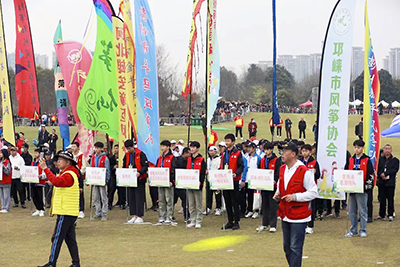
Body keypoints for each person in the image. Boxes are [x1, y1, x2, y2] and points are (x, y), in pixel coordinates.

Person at [273, 142, 318, 267]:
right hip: (285, 213)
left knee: (295, 247)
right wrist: (278, 193)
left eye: (285, 151)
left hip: (299, 215)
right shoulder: (282, 168)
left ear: (293, 154)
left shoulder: (304, 171)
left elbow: (313, 192)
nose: (282, 154)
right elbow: (281, 184)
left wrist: (295, 197)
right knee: (287, 247)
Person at [38, 151, 80, 267]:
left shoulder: (68, 174)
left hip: (65, 211)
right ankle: (75, 263)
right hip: (68, 210)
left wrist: (46, 169)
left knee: (57, 238)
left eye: (60, 159)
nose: (57, 162)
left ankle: (52, 263)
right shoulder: (68, 173)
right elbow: (58, 182)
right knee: (70, 239)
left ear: (68, 162)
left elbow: (57, 182)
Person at [344, 139, 374, 237]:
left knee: (362, 210)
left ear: (362, 148)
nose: (357, 150)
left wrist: (368, 186)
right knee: (352, 211)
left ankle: (363, 229)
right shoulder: (351, 160)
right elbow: (345, 172)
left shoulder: (367, 160)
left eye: (359, 147)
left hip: (362, 188)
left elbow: (371, 174)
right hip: (352, 189)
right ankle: (353, 230)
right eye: (355, 147)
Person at [220, 133, 244, 230]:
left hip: (234, 180)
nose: (226, 142)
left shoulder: (237, 153)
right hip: (225, 180)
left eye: (228, 141)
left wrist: (236, 173)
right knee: (227, 201)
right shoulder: (224, 153)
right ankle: (230, 221)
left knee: (235, 201)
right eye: (225, 140)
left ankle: (236, 222)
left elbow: (241, 166)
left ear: (233, 142)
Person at [257, 142, 279, 232]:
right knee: (264, 205)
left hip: (272, 186)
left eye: (268, 150)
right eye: (265, 150)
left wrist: (275, 180)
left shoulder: (276, 160)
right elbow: (259, 171)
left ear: (272, 150)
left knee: (272, 205)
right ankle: (264, 223)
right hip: (264, 185)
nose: (266, 152)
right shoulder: (262, 160)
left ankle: (273, 224)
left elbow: (278, 172)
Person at [125, 140, 149, 224]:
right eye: (127, 149)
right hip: (130, 179)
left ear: (133, 146)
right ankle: (134, 214)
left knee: (139, 197)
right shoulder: (127, 155)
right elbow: (125, 165)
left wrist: (140, 172)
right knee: (131, 197)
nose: (128, 150)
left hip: (140, 179)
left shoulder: (141, 154)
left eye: (129, 148)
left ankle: (139, 215)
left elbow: (145, 165)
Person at [301, 144, 321, 234]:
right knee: (303, 206)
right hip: (301, 187)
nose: (304, 153)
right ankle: (303, 224)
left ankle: (310, 226)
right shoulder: (299, 162)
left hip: (311, 188)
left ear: (310, 152)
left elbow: (318, 175)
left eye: (306, 151)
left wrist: (314, 173)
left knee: (311, 207)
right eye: (303, 151)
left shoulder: (314, 162)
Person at [186, 141, 206, 229]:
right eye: (191, 147)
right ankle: (192, 220)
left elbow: (202, 172)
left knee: (198, 204)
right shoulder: (189, 159)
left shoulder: (201, 159)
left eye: (194, 147)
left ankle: (198, 220)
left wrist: (200, 182)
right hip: (189, 183)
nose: (192, 149)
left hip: (197, 184)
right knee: (191, 204)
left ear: (197, 148)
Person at [376, 144, 399, 221]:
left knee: (390, 198)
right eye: (386, 149)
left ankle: (390, 214)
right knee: (382, 198)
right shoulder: (380, 160)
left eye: (389, 149)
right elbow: (378, 169)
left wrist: (386, 174)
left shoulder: (395, 160)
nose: (387, 150)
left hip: (390, 182)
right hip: (381, 182)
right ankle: (381, 214)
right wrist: (381, 174)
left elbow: (394, 169)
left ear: (391, 150)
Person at [156, 140, 176, 225]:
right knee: (161, 200)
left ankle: (169, 216)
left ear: (168, 147)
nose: (162, 148)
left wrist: (171, 181)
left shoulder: (172, 157)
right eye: (161, 146)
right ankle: (162, 216)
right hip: (160, 181)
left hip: (168, 182)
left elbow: (173, 170)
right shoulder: (160, 158)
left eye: (164, 146)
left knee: (169, 199)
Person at [91, 142, 110, 220]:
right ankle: (98, 212)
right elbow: (91, 169)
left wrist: (106, 180)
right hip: (95, 180)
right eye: (95, 148)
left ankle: (104, 213)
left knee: (103, 197)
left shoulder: (105, 158)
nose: (96, 150)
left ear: (101, 149)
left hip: (102, 180)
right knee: (96, 197)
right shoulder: (93, 157)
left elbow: (107, 170)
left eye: (98, 148)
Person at [241, 142, 260, 219]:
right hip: (247, 179)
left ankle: (256, 210)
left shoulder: (258, 158)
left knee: (255, 195)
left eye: (250, 147)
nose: (248, 149)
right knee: (249, 195)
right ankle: (249, 210)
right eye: (247, 147)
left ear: (254, 148)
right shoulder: (245, 157)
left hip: (255, 179)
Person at [71, 142, 88, 219]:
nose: (73, 148)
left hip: (79, 176)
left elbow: (84, 167)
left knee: (80, 192)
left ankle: (81, 210)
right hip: (72, 176)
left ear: (78, 147)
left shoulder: (81, 156)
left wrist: (79, 173)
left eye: (74, 146)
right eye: (72, 146)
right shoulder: (71, 156)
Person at [204, 146, 222, 216]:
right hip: (209, 179)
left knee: (217, 194)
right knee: (208, 194)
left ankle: (218, 208)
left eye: (212, 151)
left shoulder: (219, 159)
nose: (211, 152)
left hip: (216, 179)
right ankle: (208, 207)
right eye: (210, 151)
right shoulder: (208, 159)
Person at [174, 147, 190, 221]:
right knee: (175, 200)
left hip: (184, 182)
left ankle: (186, 216)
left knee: (184, 199)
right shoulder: (178, 160)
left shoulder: (188, 160)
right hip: (178, 183)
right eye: (189, 153)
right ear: (185, 153)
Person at [108, 144, 126, 210]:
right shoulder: (111, 158)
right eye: (115, 148)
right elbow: (108, 167)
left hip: (121, 176)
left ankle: (122, 203)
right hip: (113, 176)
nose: (116, 150)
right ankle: (109, 204)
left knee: (121, 190)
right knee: (111, 190)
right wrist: (113, 167)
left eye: (117, 148)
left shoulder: (123, 157)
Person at [30, 148, 46, 217]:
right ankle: (38, 208)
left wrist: (41, 176)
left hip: (40, 182)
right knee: (34, 196)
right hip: (33, 181)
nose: (35, 154)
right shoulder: (33, 162)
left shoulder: (42, 162)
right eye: (34, 153)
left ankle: (42, 209)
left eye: (36, 153)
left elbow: (45, 172)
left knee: (40, 196)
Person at [0, 149, 12, 213]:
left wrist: (4, 167)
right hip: (1, 181)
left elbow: (8, 172)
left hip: (6, 181)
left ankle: (6, 207)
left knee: (6, 195)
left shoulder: (7, 162)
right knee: (1, 195)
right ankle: (3, 206)